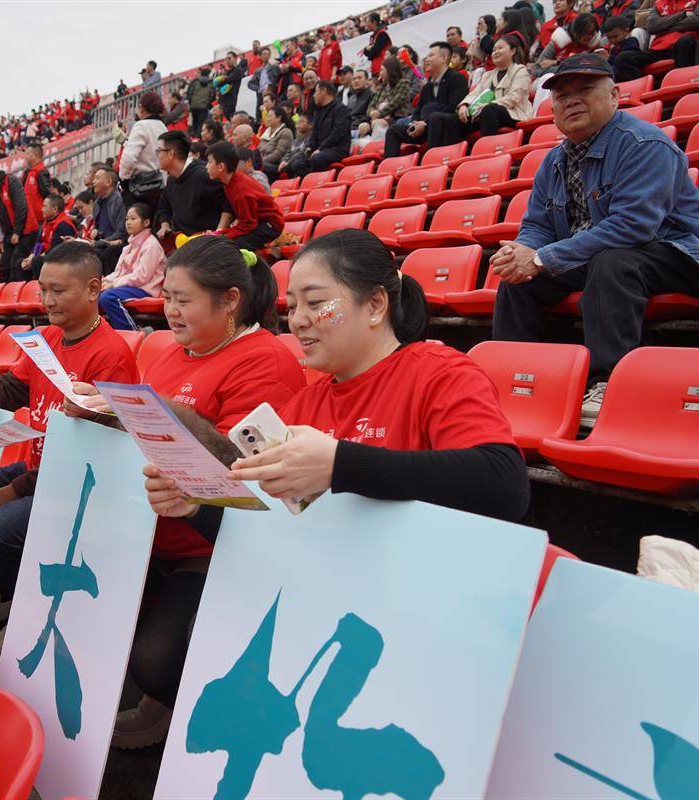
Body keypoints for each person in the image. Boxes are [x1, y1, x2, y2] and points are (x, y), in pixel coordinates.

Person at [66, 235, 305, 749]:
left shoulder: (267, 362)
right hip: (150, 523)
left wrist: (149, 407)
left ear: (231, 301)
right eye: (167, 297)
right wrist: (110, 412)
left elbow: (237, 468)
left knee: (155, 657)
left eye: (182, 299)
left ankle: (203, 723)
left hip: (212, 543)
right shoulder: (174, 355)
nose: (168, 311)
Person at [175, 229, 529, 528]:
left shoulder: (439, 372)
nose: (297, 320)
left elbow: (503, 486)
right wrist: (194, 508)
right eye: (293, 306)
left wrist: (339, 464)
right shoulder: (304, 404)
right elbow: (271, 529)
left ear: (375, 304)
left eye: (315, 303)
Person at [489, 55, 699, 426]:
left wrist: (541, 258)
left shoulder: (644, 144)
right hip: (604, 257)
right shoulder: (552, 161)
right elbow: (538, 225)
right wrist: (522, 253)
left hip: (681, 252)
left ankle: (608, 382)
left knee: (612, 261)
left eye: (584, 90)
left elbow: (632, 227)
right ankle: (512, 379)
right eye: (560, 96)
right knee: (519, 281)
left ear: (615, 95)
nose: (570, 101)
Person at [0, 241, 141, 651]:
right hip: (44, 469)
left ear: (94, 289)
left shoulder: (109, 353)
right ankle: (12, 595)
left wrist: (12, 491)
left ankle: (31, 609)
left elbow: (96, 454)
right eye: (43, 289)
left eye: (59, 290)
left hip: (81, 485)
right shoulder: (49, 339)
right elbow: (9, 389)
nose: (46, 300)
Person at [429, 36, 534, 146]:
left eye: (500, 48)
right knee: (440, 118)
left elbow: (514, 98)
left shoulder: (521, 71)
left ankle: (487, 150)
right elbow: (474, 94)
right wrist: (464, 105)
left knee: (490, 109)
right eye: (494, 50)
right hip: (483, 113)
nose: (496, 52)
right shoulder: (488, 75)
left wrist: (487, 105)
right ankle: (444, 156)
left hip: (512, 114)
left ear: (512, 51)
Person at [384, 42, 470, 157]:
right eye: (427, 56)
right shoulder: (427, 87)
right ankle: (389, 169)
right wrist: (414, 124)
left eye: (431, 56)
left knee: (436, 117)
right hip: (425, 126)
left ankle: (431, 161)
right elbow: (417, 111)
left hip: (448, 124)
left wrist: (425, 123)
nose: (426, 59)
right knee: (393, 130)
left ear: (444, 58)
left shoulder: (457, 78)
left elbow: (453, 107)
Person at [155, 130, 234, 242]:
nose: (157, 155)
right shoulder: (172, 179)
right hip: (185, 240)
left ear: (171, 154)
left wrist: (218, 234)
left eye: (159, 151)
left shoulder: (203, 175)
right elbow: (164, 206)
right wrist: (165, 225)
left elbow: (228, 205)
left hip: (207, 242)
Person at [614, 0, 699, 78]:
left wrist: (664, 27)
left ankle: (685, 87)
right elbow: (651, 26)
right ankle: (644, 93)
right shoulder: (659, 2)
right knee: (623, 58)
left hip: (684, 44)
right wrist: (683, 14)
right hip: (658, 48)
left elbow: (697, 21)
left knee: (685, 42)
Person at [99, 203, 167, 330]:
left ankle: (134, 332)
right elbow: (118, 272)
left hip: (145, 289)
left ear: (146, 222)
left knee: (108, 297)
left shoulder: (152, 245)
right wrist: (103, 281)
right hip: (129, 286)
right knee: (94, 294)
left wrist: (114, 284)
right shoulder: (128, 247)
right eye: (126, 219)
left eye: (133, 218)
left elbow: (142, 276)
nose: (128, 222)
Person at [207, 142, 285, 251]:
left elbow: (248, 224)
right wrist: (221, 233)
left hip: (270, 225)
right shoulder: (229, 181)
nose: (206, 166)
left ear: (221, 167)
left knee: (231, 246)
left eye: (209, 162)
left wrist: (224, 236)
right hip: (256, 222)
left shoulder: (241, 190)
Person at [0, 157, 39, 283]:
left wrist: (17, 232)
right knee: (4, 266)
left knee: (16, 263)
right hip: (9, 235)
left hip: (25, 231)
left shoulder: (11, 181)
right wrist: (0, 240)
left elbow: (21, 207)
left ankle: (20, 294)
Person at [119, 92, 168, 209]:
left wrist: (124, 180)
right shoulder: (163, 127)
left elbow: (129, 158)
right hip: (160, 184)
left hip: (140, 188)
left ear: (141, 108)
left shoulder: (141, 125)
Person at [299, 81, 352, 175]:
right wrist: (309, 148)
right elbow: (314, 133)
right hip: (320, 149)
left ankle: (319, 184)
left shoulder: (341, 109)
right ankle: (307, 185)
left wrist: (321, 149)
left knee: (317, 159)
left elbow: (338, 133)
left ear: (324, 91)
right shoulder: (318, 111)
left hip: (337, 149)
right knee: (297, 164)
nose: (314, 96)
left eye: (316, 92)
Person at [357, 57, 413, 140]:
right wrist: (372, 113)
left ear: (390, 70)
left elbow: (396, 102)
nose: (380, 73)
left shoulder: (403, 83)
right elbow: (371, 105)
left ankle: (378, 147)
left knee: (377, 123)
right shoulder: (381, 88)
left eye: (383, 70)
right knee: (362, 127)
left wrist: (379, 113)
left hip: (396, 118)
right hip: (378, 118)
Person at [23, 192, 79, 274]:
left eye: (45, 206)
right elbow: (39, 242)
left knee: (36, 261)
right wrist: (31, 256)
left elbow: (56, 249)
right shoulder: (47, 221)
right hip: (45, 256)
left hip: (59, 260)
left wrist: (35, 258)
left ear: (55, 209)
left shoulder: (63, 225)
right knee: (20, 263)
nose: (42, 209)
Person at [91, 168, 128, 272]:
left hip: (113, 246)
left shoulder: (119, 201)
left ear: (108, 182)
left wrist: (98, 243)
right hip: (101, 245)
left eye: (97, 178)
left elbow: (121, 232)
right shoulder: (97, 203)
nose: (93, 182)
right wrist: (96, 233)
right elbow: (99, 230)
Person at [258, 106, 295, 182]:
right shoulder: (267, 132)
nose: (267, 119)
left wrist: (260, 162)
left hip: (277, 165)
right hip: (263, 161)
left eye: (270, 116)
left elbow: (278, 154)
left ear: (279, 118)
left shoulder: (286, 132)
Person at [21, 144, 52, 232]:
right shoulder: (28, 172)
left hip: (39, 219)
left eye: (27, 154)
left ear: (35, 155)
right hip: (30, 218)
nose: (25, 157)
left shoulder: (41, 171)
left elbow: (46, 193)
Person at [217, 51, 247, 120]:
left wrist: (223, 77)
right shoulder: (225, 72)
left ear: (235, 59)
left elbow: (230, 79)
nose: (227, 61)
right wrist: (222, 76)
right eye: (226, 59)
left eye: (229, 58)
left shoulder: (238, 70)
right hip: (222, 102)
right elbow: (218, 83)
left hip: (232, 102)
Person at [186, 67, 216, 133]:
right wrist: (208, 102)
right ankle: (198, 137)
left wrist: (191, 102)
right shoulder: (211, 82)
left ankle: (193, 137)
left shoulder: (194, 81)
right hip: (204, 107)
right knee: (201, 124)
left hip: (194, 106)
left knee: (194, 123)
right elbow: (213, 95)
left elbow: (189, 93)